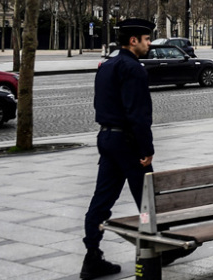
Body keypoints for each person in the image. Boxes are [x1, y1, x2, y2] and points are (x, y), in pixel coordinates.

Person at [81, 18, 156, 279]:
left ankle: (92, 254)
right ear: (133, 41)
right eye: (146, 39)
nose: (149, 44)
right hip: (128, 142)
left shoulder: (107, 65)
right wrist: (146, 149)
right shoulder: (134, 69)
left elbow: (99, 103)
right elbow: (138, 114)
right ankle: (158, 247)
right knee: (147, 198)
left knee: (102, 199)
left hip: (106, 138)